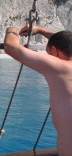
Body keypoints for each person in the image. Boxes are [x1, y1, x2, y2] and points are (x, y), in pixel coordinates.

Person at [4, 25, 72, 156]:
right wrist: (41, 30)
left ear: (54, 50)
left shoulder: (59, 67)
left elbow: (11, 47)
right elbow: (67, 42)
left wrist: (12, 29)